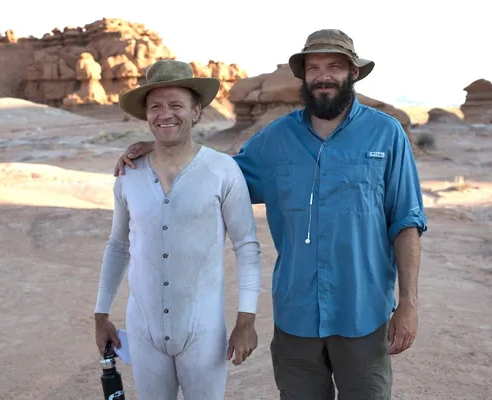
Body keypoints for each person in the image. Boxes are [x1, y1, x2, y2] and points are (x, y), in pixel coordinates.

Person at [113, 29, 428, 399]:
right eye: (313, 68)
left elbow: (406, 222)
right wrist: (163, 147)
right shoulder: (275, 138)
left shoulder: (386, 134)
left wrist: (408, 303)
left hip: (363, 313)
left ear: (353, 73)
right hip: (296, 316)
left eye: (334, 67)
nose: (323, 77)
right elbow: (215, 177)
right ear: (303, 76)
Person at [94, 59, 262, 400]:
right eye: (155, 107)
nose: (165, 114)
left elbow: (246, 245)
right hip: (143, 331)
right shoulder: (129, 174)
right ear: (146, 115)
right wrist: (101, 314)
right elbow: (118, 245)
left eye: (176, 105)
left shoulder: (222, 170)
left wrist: (246, 320)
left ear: (196, 112)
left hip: (203, 331)